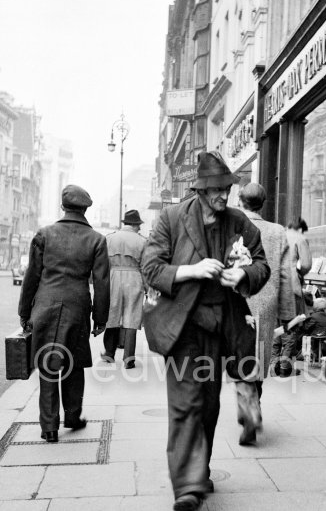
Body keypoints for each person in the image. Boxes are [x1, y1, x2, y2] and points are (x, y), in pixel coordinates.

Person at [141, 151, 270, 511]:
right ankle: (187, 487)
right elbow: (150, 267)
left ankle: (200, 470)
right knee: (186, 405)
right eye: (216, 190)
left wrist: (242, 275)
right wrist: (191, 271)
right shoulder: (171, 218)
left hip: (221, 329)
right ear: (199, 190)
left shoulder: (239, 223)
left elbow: (261, 265)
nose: (223, 196)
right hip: (182, 327)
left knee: (209, 405)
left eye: (226, 189)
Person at [18, 185, 110, 443]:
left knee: (48, 366)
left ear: (63, 207)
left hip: (45, 306)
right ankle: (72, 416)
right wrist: (100, 319)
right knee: (75, 362)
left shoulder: (44, 234)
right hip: (77, 307)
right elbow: (102, 283)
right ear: (85, 209)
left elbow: (32, 277)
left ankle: (49, 426)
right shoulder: (96, 240)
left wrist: (24, 312)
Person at [236, 182, 296, 444]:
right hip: (266, 302)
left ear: (240, 200)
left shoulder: (232, 226)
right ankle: (253, 404)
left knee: (239, 359)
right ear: (263, 203)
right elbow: (286, 273)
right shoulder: (278, 231)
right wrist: (286, 312)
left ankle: (250, 412)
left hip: (236, 300)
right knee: (260, 356)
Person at [102, 209, 147, 369]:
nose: (140, 228)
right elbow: (145, 266)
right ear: (135, 225)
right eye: (139, 225)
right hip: (134, 277)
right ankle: (129, 359)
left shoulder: (109, 238)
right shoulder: (142, 241)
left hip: (113, 277)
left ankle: (109, 354)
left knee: (112, 315)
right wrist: (148, 288)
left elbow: (102, 264)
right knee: (132, 318)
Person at [285, 217, 312, 316]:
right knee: (296, 318)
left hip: (274, 283)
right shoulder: (300, 238)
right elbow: (306, 264)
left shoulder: (279, 235)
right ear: (301, 230)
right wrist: (299, 274)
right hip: (291, 284)